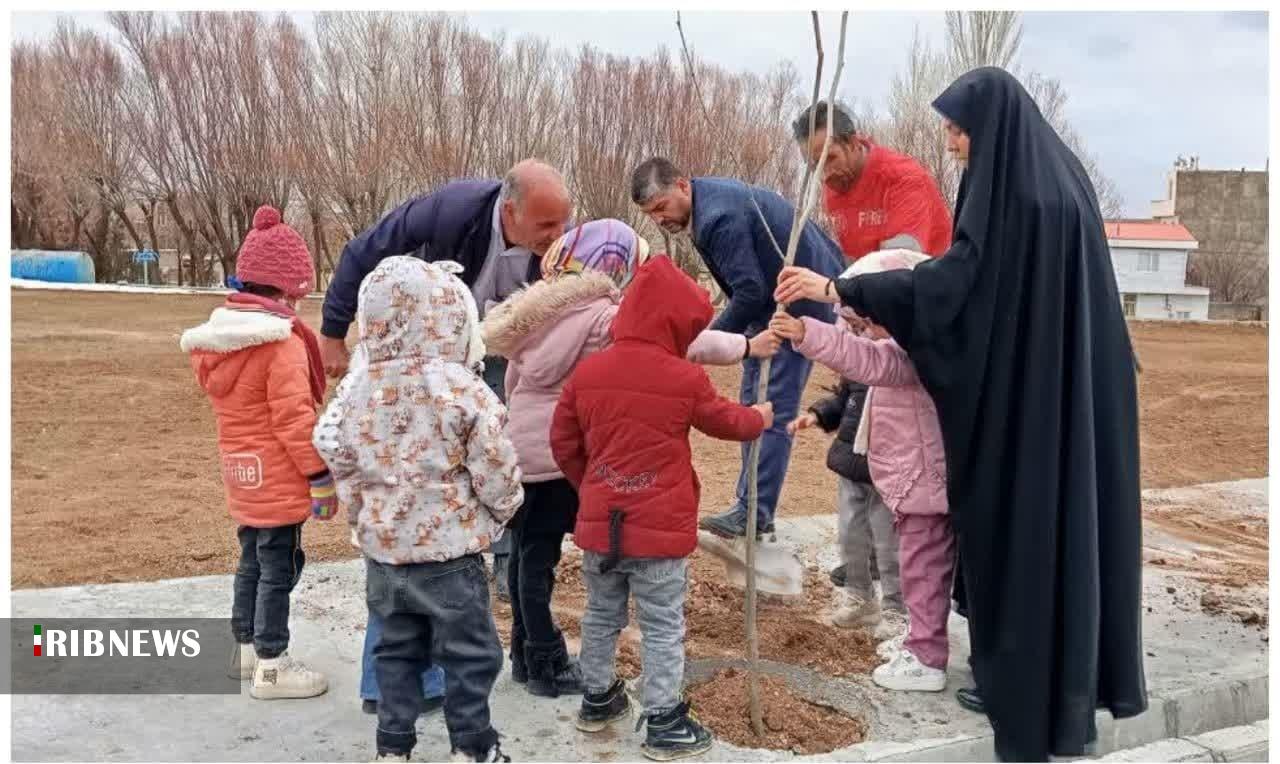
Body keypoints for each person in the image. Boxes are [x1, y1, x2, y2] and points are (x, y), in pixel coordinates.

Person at [774, 67, 1146, 761]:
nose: (949, 141)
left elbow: (955, 285)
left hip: (1028, 397)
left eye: (957, 129)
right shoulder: (1056, 182)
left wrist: (840, 290)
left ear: (989, 128)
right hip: (1056, 384)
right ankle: (1045, 671)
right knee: (1049, 530)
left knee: (1024, 531)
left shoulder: (1018, 194)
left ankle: (1026, 683)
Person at [480, 219, 780, 698]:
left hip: (523, 453)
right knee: (547, 566)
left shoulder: (538, 314)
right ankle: (547, 662)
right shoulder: (604, 317)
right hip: (560, 459)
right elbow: (679, 341)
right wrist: (746, 344)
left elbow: (514, 385)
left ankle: (528, 655)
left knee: (526, 560)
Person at [550, 255, 771, 762]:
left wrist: (594, 487)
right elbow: (724, 421)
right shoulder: (683, 377)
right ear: (676, 323)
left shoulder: (588, 372)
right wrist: (758, 418)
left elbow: (562, 442)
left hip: (601, 530)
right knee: (662, 625)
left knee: (600, 614)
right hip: (659, 536)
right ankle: (664, 720)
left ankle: (597, 698)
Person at [319, 159, 570, 601]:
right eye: (547, 224)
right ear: (510, 211)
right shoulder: (452, 211)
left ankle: (505, 557)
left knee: (504, 440)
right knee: (418, 445)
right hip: (426, 346)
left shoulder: (559, 245)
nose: (559, 235)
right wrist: (332, 332)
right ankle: (406, 553)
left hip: (503, 345)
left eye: (563, 222)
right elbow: (363, 251)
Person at [313, 256, 523, 763]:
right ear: (453, 318)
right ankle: (472, 746)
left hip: (384, 557)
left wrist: (361, 510)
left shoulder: (358, 387)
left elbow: (333, 444)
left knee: (395, 651)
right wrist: (503, 510)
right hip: (449, 556)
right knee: (469, 654)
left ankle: (393, 746)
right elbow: (494, 460)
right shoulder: (460, 386)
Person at [630, 157, 844, 540]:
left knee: (768, 409)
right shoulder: (708, 202)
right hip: (780, 304)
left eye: (661, 207)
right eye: (651, 214)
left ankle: (753, 513)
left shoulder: (718, 217)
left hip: (795, 310)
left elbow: (749, 291)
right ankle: (751, 508)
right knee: (753, 404)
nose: (660, 219)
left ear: (682, 185)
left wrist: (707, 344)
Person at [773, 249, 953, 693]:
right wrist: (806, 332)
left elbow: (872, 361)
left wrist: (808, 331)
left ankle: (926, 655)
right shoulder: (904, 345)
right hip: (907, 477)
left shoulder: (915, 351)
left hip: (921, 479)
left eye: (869, 321)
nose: (865, 333)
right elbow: (861, 365)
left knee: (920, 567)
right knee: (913, 563)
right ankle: (919, 642)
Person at [180, 205, 332, 700]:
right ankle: (272, 664)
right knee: (278, 569)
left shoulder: (220, 343)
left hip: (241, 471)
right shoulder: (280, 344)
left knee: (251, 561)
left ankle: (244, 649)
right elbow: (294, 421)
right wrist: (319, 474)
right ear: (285, 290)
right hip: (280, 476)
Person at [788, 315, 906, 639]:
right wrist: (818, 414)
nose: (859, 333)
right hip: (852, 463)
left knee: (888, 543)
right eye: (854, 328)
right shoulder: (859, 360)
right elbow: (844, 398)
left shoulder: (903, 362)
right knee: (851, 534)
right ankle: (859, 595)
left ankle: (896, 607)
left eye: (863, 326)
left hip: (888, 470)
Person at [793, 100, 952, 261]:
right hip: (865, 276)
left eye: (830, 158)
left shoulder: (903, 178)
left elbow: (901, 262)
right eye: (815, 165)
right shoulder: (834, 187)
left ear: (852, 143)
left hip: (926, 274)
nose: (825, 175)